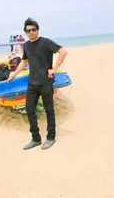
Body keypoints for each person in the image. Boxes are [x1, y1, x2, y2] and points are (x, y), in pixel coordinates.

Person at [8, 18, 67, 150]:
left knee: (49, 110)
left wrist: (54, 69)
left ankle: (51, 137)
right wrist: (14, 74)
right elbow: (24, 62)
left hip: (46, 82)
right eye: (28, 30)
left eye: (33, 29)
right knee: (29, 109)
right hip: (32, 83)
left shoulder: (45, 42)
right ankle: (36, 138)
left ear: (37, 30)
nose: (31, 32)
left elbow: (63, 51)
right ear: (26, 32)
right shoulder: (27, 45)